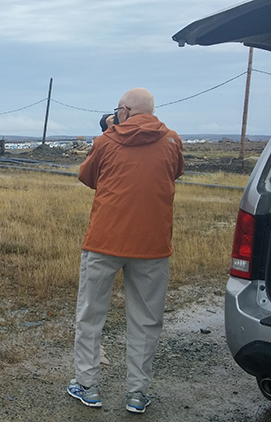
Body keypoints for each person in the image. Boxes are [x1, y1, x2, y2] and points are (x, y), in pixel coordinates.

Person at [67, 88, 184, 414]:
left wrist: (107, 130)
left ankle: (87, 386)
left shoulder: (106, 141)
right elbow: (174, 172)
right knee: (146, 321)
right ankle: (137, 394)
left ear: (124, 111)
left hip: (104, 243)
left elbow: (87, 176)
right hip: (153, 246)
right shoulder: (172, 141)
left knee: (90, 316)